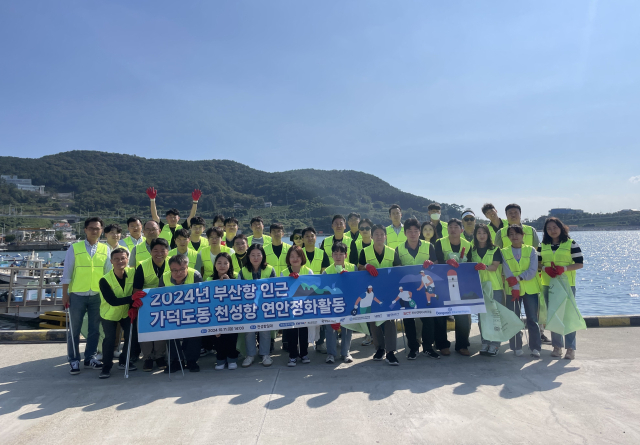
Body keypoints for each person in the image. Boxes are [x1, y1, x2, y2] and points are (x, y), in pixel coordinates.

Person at [62, 217, 111, 375]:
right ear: (85, 230)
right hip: (77, 294)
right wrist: (65, 295)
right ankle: (74, 359)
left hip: (97, 295)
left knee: (94, 329)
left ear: (101, 230)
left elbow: (108, 274)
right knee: (74, 329)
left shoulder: (105, 249)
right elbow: (67, 273)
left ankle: (90, 358)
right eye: (91, 228)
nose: (94, 231)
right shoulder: (74, 248)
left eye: (97, 228)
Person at [538, 217, 583, 360]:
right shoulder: (542, 245)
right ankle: (557, 347)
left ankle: (570, 348)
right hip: (548, 284)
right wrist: (545, 268)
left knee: (568, 316)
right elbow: (538, 264)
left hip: (566, 285)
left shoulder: (571, 244)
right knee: (553, 316)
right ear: (545, 231)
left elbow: (579, 263)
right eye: (549, 228)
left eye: (555, 227)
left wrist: (564, 268)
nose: (552, 230)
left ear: (561, 228)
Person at [393, 217, 437, 360]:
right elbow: (397, 268)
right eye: (410, 231)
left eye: (416, 231)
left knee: (428, 319)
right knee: (409, 321)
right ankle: (413, 348)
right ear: (405, 233)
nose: (413, 233)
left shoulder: (429, 246)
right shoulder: (399, 249)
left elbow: (435, 263)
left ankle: (428, 347)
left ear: (420, 232)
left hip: (424, 290)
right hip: (408, 292)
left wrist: (431, 263)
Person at [98, 248, 143, 379]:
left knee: (131, 336)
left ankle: (124, 361)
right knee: (110, 339)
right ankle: (106, 367)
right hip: (109, 314)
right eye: (116, 259)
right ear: (111, 261)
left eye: (123, 258)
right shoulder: (104, 280)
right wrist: (132, 299)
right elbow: (112, 301)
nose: (120, 261)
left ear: (127, 260)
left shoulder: (133, 272)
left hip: (126, 312)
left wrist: (133, 305)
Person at [359, 224, 399, 366]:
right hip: (372, 292)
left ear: (385, 237)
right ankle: (379, 349)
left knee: (389, 321)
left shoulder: (392, 252)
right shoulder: (365, 251)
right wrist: (366, 267)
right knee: (374, 320)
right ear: (372, 236)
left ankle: (391, 352)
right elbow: (359, 267)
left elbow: (398, 269)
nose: (379, 236)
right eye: (376, 234)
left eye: (382, 234)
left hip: (388, 292)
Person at [501, 225, 542, 358]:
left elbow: (532, 270)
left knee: (532, 319)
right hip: (512, 290)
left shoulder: (531, 250)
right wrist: (515, 287)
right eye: (511, 234)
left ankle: (535, 347)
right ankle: (516, 346)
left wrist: (518, 278)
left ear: (523, 235)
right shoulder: (503, 252)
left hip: (530, 289)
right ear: (508, 237)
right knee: (514, 319)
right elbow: (506, 271)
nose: (515, 237)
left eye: (517, 234)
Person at [434, 219, 473, 356]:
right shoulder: (440, 242)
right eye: (450, 227)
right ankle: (442, 345)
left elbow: (470, 264)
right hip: (442, 284)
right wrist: (446, 262)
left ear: (462, 230)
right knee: (441, 316)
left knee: (462, 315)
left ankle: (462, 345)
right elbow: (437, 261)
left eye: (456, 227)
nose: (453, 229)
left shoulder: (468, 245)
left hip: (460, 285)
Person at [159, 254, 203, 372]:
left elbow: (201, 297)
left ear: (187, 267)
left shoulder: (195, 275)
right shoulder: (164, 278)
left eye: (182, 269)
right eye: (174, 270)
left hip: (192, 311)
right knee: (170, 333)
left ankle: (192, 361)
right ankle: (176, 361)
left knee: (194, 333)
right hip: (172, 312)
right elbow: (160, 298)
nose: (178, 273)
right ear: (170, 269)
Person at [132, 238, 170, 371]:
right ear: (150, 251)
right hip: (146, 304)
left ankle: (160, 356)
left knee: (161, 329)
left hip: (166, 303)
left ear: (168, 251)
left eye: (162, 250)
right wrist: (137, 304)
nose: (159, 253)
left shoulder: (172, 263)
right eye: (155, 250)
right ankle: (147, 357)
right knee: (145, 330)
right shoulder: (142, 265)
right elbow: (137, 288)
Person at [467, 224, 503, 357]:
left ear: (488, 235)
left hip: (494, 287)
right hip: (479, 287)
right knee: (482, 317)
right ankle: (485, 341)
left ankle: (495, 344)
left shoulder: (495, 249)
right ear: (475, 236)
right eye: (479, 233)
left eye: (484, 233)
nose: (482, 235)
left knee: (495, 316)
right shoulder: (473, 250)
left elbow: (494, 266)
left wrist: (485, 267)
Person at [239, 244, 276, 367]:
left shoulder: (270, 269)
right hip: (249, 306)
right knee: (249, 331)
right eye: (253, 255)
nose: (256, 258)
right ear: (248, 256)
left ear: (263, 256)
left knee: (265, 330)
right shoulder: (243, 271)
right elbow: (239, 290)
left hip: (265, 306)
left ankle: (265, 354)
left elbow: (274, 288)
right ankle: (250, 355)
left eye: (258, 255)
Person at [323, 242, 355, 364]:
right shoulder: (327, 271)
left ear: (346, 255)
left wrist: (349, 278)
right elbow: (324, 290)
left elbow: (357, 286)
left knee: (348, 328)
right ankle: (331, 353)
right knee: (330, 328)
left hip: (348, 303)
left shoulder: (352, 268)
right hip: (332, 304)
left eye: (341, 253)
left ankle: (346, 352)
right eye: (335, 253)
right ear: (332, 255)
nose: (338, 256)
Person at [282, 245, 313, 367]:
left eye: (298, 256)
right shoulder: (284, 272)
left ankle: (304, 353)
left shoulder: (308, 271)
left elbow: (312, 288)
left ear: (302, 257)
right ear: (288, 259)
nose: (295, 259)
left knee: (303, 331)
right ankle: (292, 355)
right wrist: (289, 281)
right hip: (290, 307)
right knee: (291, 332)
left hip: (304, 307)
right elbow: (281, 291)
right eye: (292, 256)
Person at [302, 226, 331, 353]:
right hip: (302, 291)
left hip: (318, 291)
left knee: (321, 317)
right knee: (302, 319)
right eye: (307, 236)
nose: (309, 238)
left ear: (316, 237)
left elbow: (325, 273)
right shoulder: (298, 252)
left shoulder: (322, 253)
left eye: (312, 236)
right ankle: (302, 345)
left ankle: (320, 343)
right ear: (302, 239)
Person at [209, 252, 240, 370]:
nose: (222, 266)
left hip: (233, 313)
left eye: (225, 263)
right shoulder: (209, 279)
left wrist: (229, 282)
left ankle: (232, 358)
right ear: (215, 265)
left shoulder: (237, 276)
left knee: (231, 336)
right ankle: (220, 358)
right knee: (218, 337)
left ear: (230, 265)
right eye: (219, 263)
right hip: (216, 314)